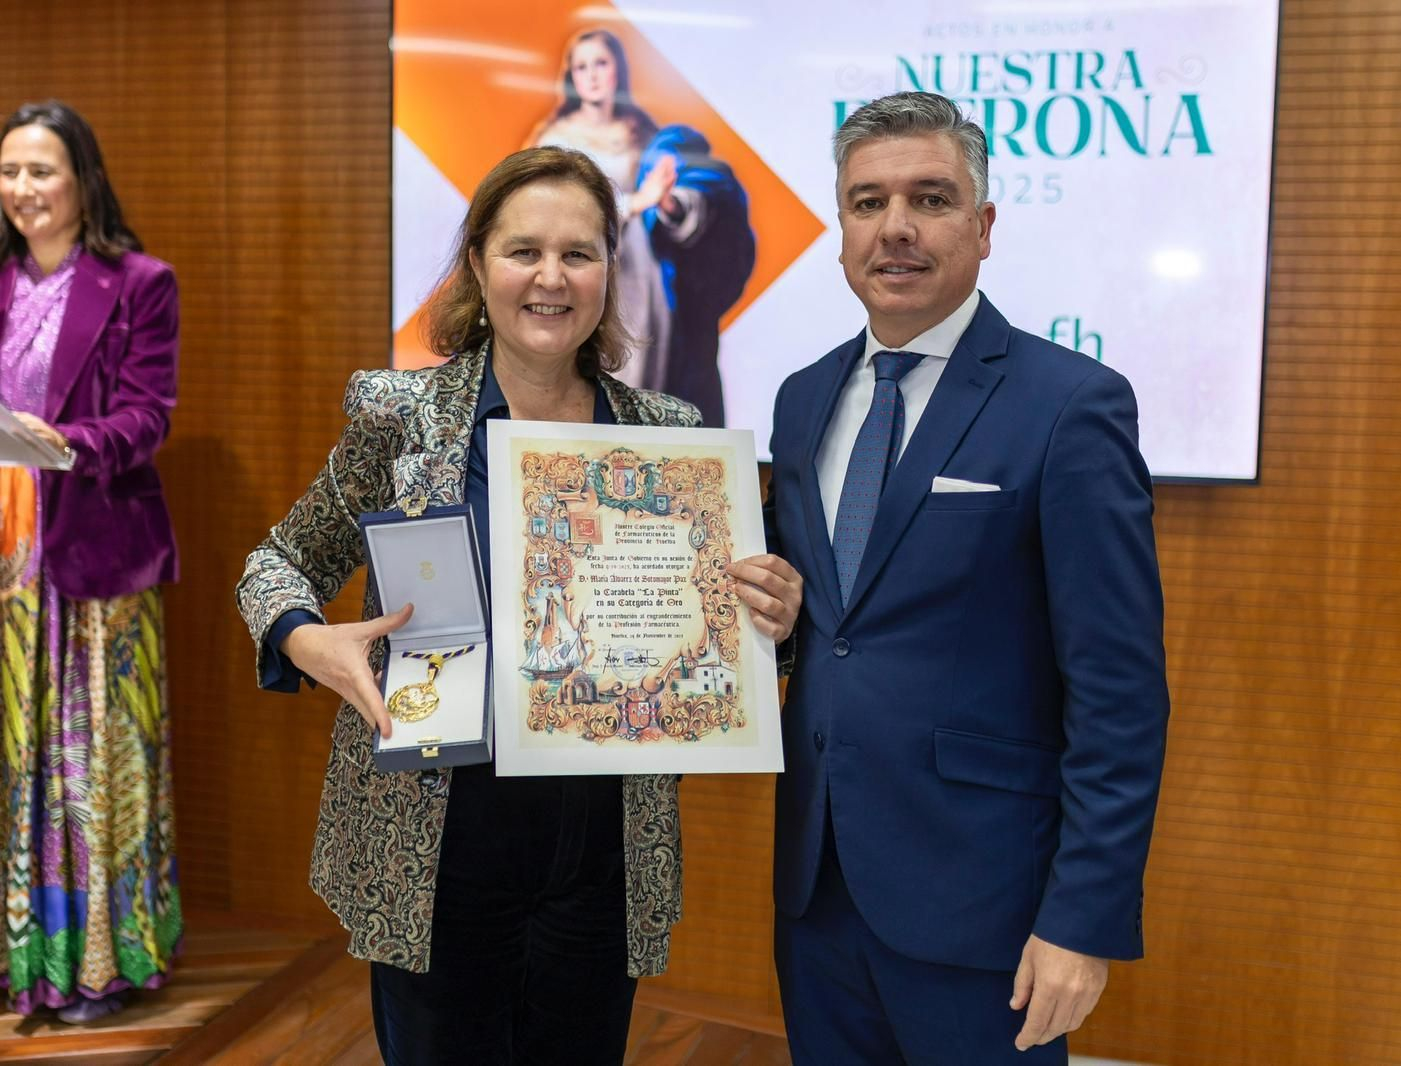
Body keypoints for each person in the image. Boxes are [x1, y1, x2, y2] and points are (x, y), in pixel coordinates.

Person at [234, 146, 800, 1065]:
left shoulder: (670, 437)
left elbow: (723, 648)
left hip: (605, 850)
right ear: (478, 265)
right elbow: (276, 563)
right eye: (522, 250)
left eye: (578, 253)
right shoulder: (401, 416)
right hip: (437, 835)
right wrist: (308, 641)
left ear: (610, 275)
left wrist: (768, 619)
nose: (550, 277)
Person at [764, 92, 1170, 1063]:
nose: (894, 228)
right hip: (817, 890)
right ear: (840, 227)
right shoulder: (801, 395)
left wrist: (1081, 919)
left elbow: (1118, 691)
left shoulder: (1071, 404)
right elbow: (827, 623)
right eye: (866, 202)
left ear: (983, 227)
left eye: (930, 198)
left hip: (985, 905)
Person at [0, 100, 183, 1022]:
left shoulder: (139, 282)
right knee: (8, 757)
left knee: (86, 764)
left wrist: (61, 442)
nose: (23, 190)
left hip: (90, 550)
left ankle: (96, 963)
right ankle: (15, 953)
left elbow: (151, 414)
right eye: (9, 173)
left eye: (41, 170)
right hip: (4, 557)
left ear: (82, 179)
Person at [528, 28, 755, 425]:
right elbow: (550, 215)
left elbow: (678, 195)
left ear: (618, 70)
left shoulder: (645, 133)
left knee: (644, 376)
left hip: (641, 277)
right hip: (580, 270)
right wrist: (636, 202)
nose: (592, 75)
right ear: (571, 77)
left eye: (601, 63)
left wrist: (666, 202)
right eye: (582, 67)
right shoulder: (554, 140)